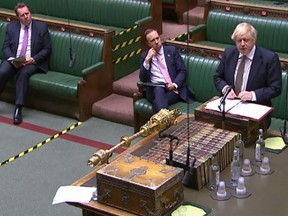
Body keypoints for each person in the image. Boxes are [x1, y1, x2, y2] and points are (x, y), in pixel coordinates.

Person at [214, 22, 282, 127]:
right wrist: (225, 89)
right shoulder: (229, 53)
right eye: (238, 40)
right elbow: (218, 77)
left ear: (253, 40)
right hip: (229, 108)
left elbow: (275, 88)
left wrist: (253, 95)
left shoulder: (269, 58)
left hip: (255, 110)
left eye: (245, 40)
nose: (242, 44)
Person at [0, 2, 52, 124]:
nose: (26, 16)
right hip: (15, 59)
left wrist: (33, 59)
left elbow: (47, 49)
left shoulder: (41, 27)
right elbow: (5, 48)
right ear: (18, 17)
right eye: (22, 15)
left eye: (27, 13)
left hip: (32, 61)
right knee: (2, 71)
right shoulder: (11, 27)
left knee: (23, 74)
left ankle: (18, 108)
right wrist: (13, 59)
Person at [139, 28, 194, 113]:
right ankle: (165, 119)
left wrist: (174, 85)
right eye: (152, 40)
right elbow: (142, 79)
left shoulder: (172, 51)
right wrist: (147, 60)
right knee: (158, 89)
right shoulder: (145, 56)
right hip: (153, 90)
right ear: (148, 43)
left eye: (157, 38)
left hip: (172, 91)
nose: (156, 42)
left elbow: (182, 71)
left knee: (158, 101)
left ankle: (162, 121)